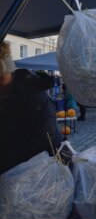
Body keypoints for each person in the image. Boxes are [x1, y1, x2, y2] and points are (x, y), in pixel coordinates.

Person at [0, 42, 61, 174]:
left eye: (1, 76)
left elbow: (44, 137)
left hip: (37, 168)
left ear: (7, 69)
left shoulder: (32, 90)